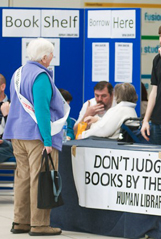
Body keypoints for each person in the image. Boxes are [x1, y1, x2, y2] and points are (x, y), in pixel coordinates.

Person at [3, 38, 67, 236]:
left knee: (22, 178)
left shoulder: (18, 73)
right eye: (51, 54)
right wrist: (48, 141)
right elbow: (41, 111)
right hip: (36, 136)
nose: (52, 57)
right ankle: (39, 225)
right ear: (44, 57)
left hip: (16, 134)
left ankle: (20, 222)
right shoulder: (41, 76)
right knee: (40, 179)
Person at [0, 73, 14, 163]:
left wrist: (6, 116)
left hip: (8, 145)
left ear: (2, 87)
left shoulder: (14, 105)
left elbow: (16, 133)